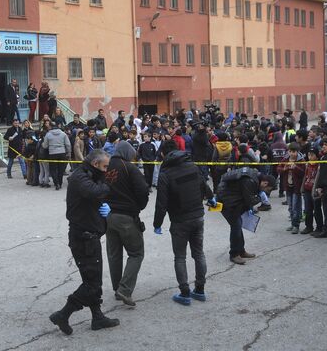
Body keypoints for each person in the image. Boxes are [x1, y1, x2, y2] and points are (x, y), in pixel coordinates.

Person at [50, 150, 119, 335]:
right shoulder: (80, 177)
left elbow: (97, 195)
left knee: (92, 279)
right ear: (96, 164)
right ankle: (63, 314)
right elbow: (95, 192)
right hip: (84, 238)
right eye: (105, 167)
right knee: (92, 283)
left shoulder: (91, 175)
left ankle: (97, 317)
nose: (107, 171)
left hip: (89, 235)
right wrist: (109, 182)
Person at [153, 140, 215, 305]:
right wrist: (211, 198)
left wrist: (157, 224)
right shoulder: (192, 165)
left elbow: (161, 203)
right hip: (198, 216)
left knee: (180, 257)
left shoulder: (165, 174)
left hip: (180, 220)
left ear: (163, 154)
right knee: (198, 253)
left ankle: (185, 293)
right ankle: (200, 290)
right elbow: (204, 184)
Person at [104, 141, 149, 307]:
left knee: (114, 254)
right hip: (127, 217)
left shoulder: (106, 165)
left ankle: (117, 288)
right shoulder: (130, 168)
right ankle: (124, 289)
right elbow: (143, 190)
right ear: (128, 154)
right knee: (136, 253)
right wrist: (139, 206)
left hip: (108, 216)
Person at [217, 167, 276, 265]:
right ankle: (234, 254)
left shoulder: (255, 179)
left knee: (238, 225)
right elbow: (250, 200)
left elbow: (247, 198)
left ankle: (241, 251)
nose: (265, 191)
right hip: (226, 201)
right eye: (267, 189)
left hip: (233, 200)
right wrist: (260, 198)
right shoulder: (250, 181)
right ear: (265, 183)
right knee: (236, 226)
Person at [277, 142, 305, 234]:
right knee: (290, 206)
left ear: (297, 152)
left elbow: (303, 173)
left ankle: (296, 225)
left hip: (296, 188)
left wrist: (295, 168)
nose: (292, 153)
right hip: (288, 187)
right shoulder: (285, 159)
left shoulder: (301, 161)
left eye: (294, 152)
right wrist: (284, 169)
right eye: (290, 151)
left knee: (295, 207)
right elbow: (278, 169)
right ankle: (293, 224)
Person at [42, 121, 71, 190]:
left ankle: (56, 183)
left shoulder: (48, 134)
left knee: (53, 169)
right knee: (61, 169)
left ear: (51, 127)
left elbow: (45, 146)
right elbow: (68, 144)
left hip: (52, 154)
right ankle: (60, 183)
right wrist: (68, 153)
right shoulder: (63, 134)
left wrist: (43, 143)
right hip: (62, 153)